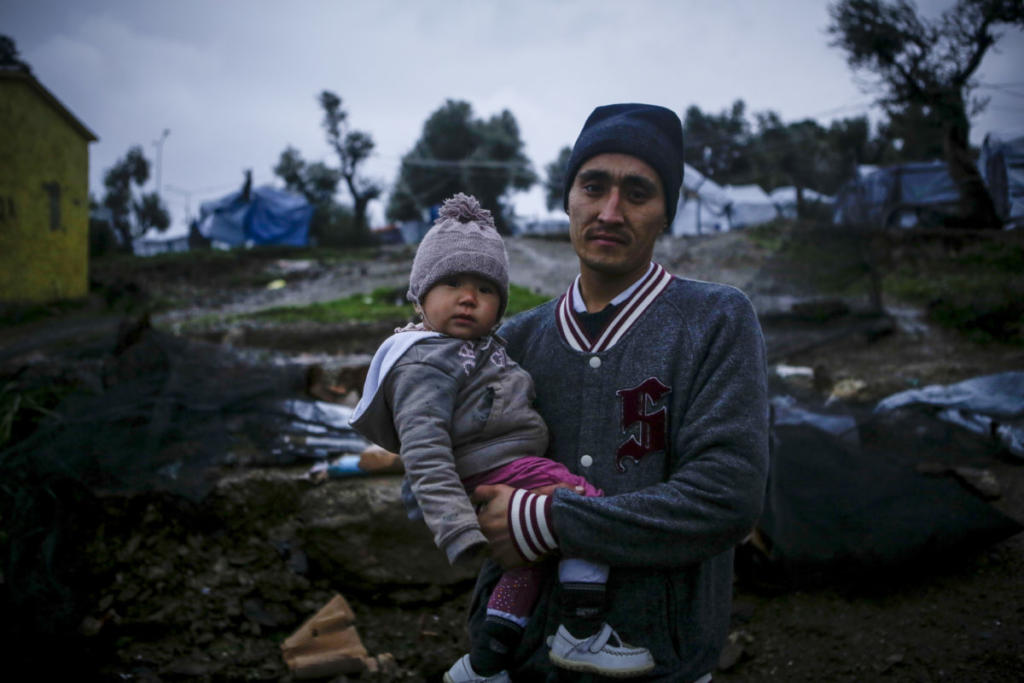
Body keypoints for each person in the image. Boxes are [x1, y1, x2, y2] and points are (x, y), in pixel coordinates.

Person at [467, 103, 771, 682]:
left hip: (660, 657)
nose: (610, 211)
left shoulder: (714, 321)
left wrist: (545, 518)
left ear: (666, 215)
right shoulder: (512, 340)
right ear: (567, 198)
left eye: (637, 192)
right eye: (593, 186)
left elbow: (726, 495)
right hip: (517, 660)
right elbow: (435, 477)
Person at [350, 193, 656, 683]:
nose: (468, 297)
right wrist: (457, 527)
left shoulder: (479, 349)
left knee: (527, 561)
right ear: (420, 295)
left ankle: (486, 662)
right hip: (499, 469)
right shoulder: (426, 360)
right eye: (451, 283)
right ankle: (581, 629)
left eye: (484, 289)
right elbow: (424, 448)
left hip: (504, 468)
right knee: (583, 506)